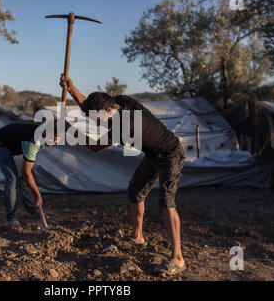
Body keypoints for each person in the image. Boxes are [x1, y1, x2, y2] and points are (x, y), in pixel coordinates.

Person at [59, 74, 186, 276]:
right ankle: (138, 236)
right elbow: (89, 106)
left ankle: (178, 258)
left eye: (98, 118)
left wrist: (69, 129)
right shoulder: (120, 101)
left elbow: (95, 146)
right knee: (135, 191)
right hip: (153, 154)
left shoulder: (125, 126)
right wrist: (71, 88)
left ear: (109, 110)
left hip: (171, 153)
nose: (95, 121)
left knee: (166, 202)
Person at [0, 120, 62, 229]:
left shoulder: (45, 134)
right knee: (12, 177)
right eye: (53, 139)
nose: (55, 142)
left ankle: (33, 209)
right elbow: (26, 172)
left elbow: (25, 174)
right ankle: (11, 217)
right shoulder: (33, 140)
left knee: (23, 179)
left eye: (58, 140)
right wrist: (37, 195)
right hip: (0, 143)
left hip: (15, 145)